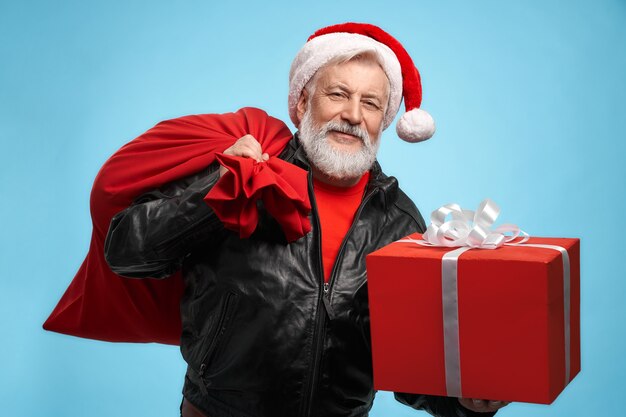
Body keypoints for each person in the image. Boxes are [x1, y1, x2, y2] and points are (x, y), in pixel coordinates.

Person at [104, 23, 510, 417]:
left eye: (370, 103)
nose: (352, 115)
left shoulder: (400, 223)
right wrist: (217, 192)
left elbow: (405, 363)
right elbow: (126, 253)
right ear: (302, 103)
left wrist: (462, 404)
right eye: (338, 94)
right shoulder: (245, 173)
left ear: (383, 121)